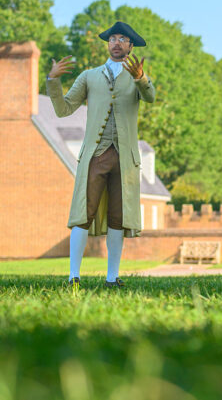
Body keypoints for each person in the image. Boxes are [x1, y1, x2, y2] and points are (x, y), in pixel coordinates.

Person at [47, 21, 155, 288]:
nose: (116, 43)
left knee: (118, 217)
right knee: (84, 213)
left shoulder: (137, 76)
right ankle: (73, 275)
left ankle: (112, 277)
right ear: (108, 44)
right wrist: (53, 80)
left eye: (122, 39)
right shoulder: (88, 76)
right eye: (113, 39)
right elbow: (64, 109)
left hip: (125, 159)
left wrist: (140, 77)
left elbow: (150, 95)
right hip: (95, 155)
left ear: (130, 46)